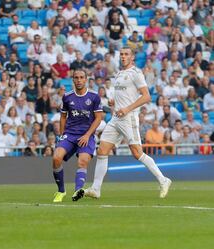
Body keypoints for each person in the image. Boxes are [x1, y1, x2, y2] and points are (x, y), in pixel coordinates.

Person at [84, 47, 172, 199]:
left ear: (132, 58)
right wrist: (114, 102)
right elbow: (125, 96)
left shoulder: (136, 73)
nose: (123, 57)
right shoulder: (119, 74)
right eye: (121, 54)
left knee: (137, 153)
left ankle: (163, 180)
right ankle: (96, 189)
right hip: (116, 118)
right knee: (102, 151)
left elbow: (146, 97)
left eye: (126, 54)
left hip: (129, 117)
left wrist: (127, 109)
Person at [51, 69, 103, 203]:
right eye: (76, 78)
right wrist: (62, 135)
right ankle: (61, 191)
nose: (79, 80)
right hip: (70, 134)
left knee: (83, 161)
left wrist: (87, 135)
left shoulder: (94, 96)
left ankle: (77, 191)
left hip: (86, 135)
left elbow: (98, 118)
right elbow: (63, 116)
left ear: (86, 79)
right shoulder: (67, 97)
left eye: (81, 77)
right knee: (56, 158)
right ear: (73, 80)